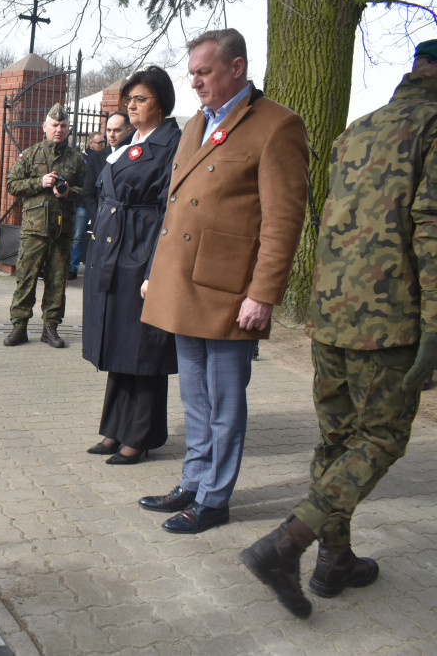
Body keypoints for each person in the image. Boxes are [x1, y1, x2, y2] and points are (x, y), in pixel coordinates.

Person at [239, 38, 437, 619]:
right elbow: (430, 227)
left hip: (332, 311)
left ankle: (335, 561)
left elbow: (330, 215)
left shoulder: (359, 128)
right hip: (391, 321)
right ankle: (286, 545)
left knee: (337, 440)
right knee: (378, 440)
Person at [138, 28, 309, 534]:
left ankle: (214, 500)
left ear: (236, 68)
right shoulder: (196, 124)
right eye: (191, 73)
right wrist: (155, 275)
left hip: (230, 290)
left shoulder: (277, 126)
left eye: (204, 72)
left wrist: (263, 293)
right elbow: (172, 211)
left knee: (224, 402)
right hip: (184, 284)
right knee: (194, 398)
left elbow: (283, 220)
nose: (194, 82)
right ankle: (193, 481)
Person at [82, 67, 182, 465]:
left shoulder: (173, 143)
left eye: (141, 99)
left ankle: (139, 436)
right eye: (130, 100)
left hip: (140, 249)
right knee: (119, 344)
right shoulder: (131, 141)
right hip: (114, 249)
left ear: (162, 102)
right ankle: (114, 429)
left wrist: (154, 268)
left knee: (143, 349)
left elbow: (170, 211)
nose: (132, 106)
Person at [2, 103, 86, 348]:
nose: (58, 130)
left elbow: (88, 192)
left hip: (62, 230)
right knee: (26, 280)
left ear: (69, 128)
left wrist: (69, 191)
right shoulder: (31, 154)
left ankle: (50, 328)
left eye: (63, 126)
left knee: (57, 281)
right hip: (34, 230)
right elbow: (11, 184)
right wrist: (40, 182)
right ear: (44, 127)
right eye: (54, 125)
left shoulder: (76, 160)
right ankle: (19, 327)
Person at [69, 130, 111, 279]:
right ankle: (72, 267)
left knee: (100, 234)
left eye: (103, 142)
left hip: (100, 201)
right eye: (99, 143)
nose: (102, 145)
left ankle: (95, 266)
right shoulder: (82, 158)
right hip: (82, 202)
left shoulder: (107, 157)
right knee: (77, 236)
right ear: (91, 144)